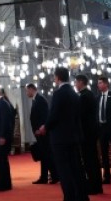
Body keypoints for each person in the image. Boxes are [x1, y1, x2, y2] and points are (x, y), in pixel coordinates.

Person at [36, 68, 86, 201]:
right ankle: (81, 196)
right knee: (76, 169)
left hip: (60, 139)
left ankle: (69, 197)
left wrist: (45, 127)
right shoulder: (75, 94)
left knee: (64, 170)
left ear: (57, 78)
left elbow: (54, 115)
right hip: (73, 137)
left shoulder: (58, 94)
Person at [74, 75, 102, 195]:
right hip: (91, 132)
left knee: (89, 160)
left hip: (86, 133)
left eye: (76, 82)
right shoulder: (90, 95)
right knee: (93, 160)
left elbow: (80, 116)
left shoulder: (84, 96)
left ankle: (93, 186)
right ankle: (97, 185)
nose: (75, 84)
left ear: (81, 82)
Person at [25, 83, 55, 185]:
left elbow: (45, 116)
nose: (26, 93)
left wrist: (41, 128)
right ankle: (49, 176)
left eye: (27, 90)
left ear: (31, 89)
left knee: (46, 155)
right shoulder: (37, 99)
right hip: (40, 132)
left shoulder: (40, 99)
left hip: (42, 132)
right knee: (45, 155)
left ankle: (49, 176)